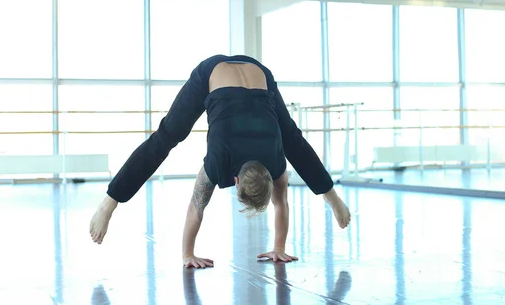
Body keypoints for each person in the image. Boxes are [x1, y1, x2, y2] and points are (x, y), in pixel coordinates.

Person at [89, 55, 351, 268]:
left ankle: (333, 198)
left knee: (292, 137)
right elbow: (199, 208)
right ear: (235, 180)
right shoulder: (219, 161)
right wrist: (187, 256)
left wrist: (188, 255)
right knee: (167, 135)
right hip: (213, 74)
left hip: (257, 72)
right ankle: (109, 202)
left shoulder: (275, 160)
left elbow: (200, 208)